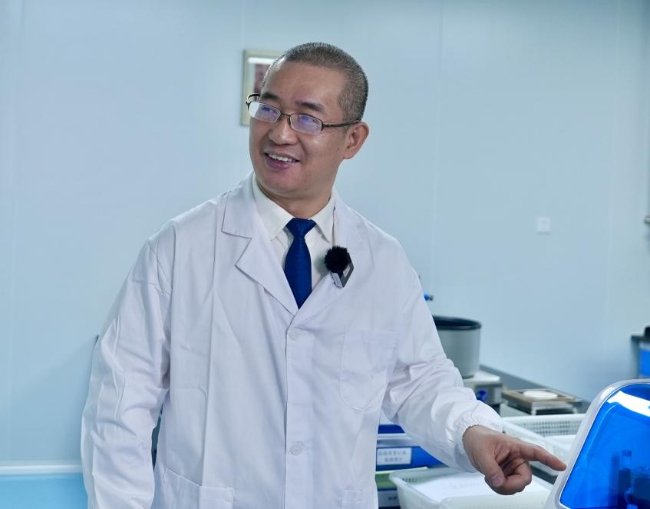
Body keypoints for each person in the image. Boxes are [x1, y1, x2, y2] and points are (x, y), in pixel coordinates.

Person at [81, 42, 565, 509]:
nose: (280, 134)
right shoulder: (179, 248)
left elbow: (419, 381)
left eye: (307, 118)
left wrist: (473, 432)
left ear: (352, 140)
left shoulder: (383, 261)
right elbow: (119, 408)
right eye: (268, 109)